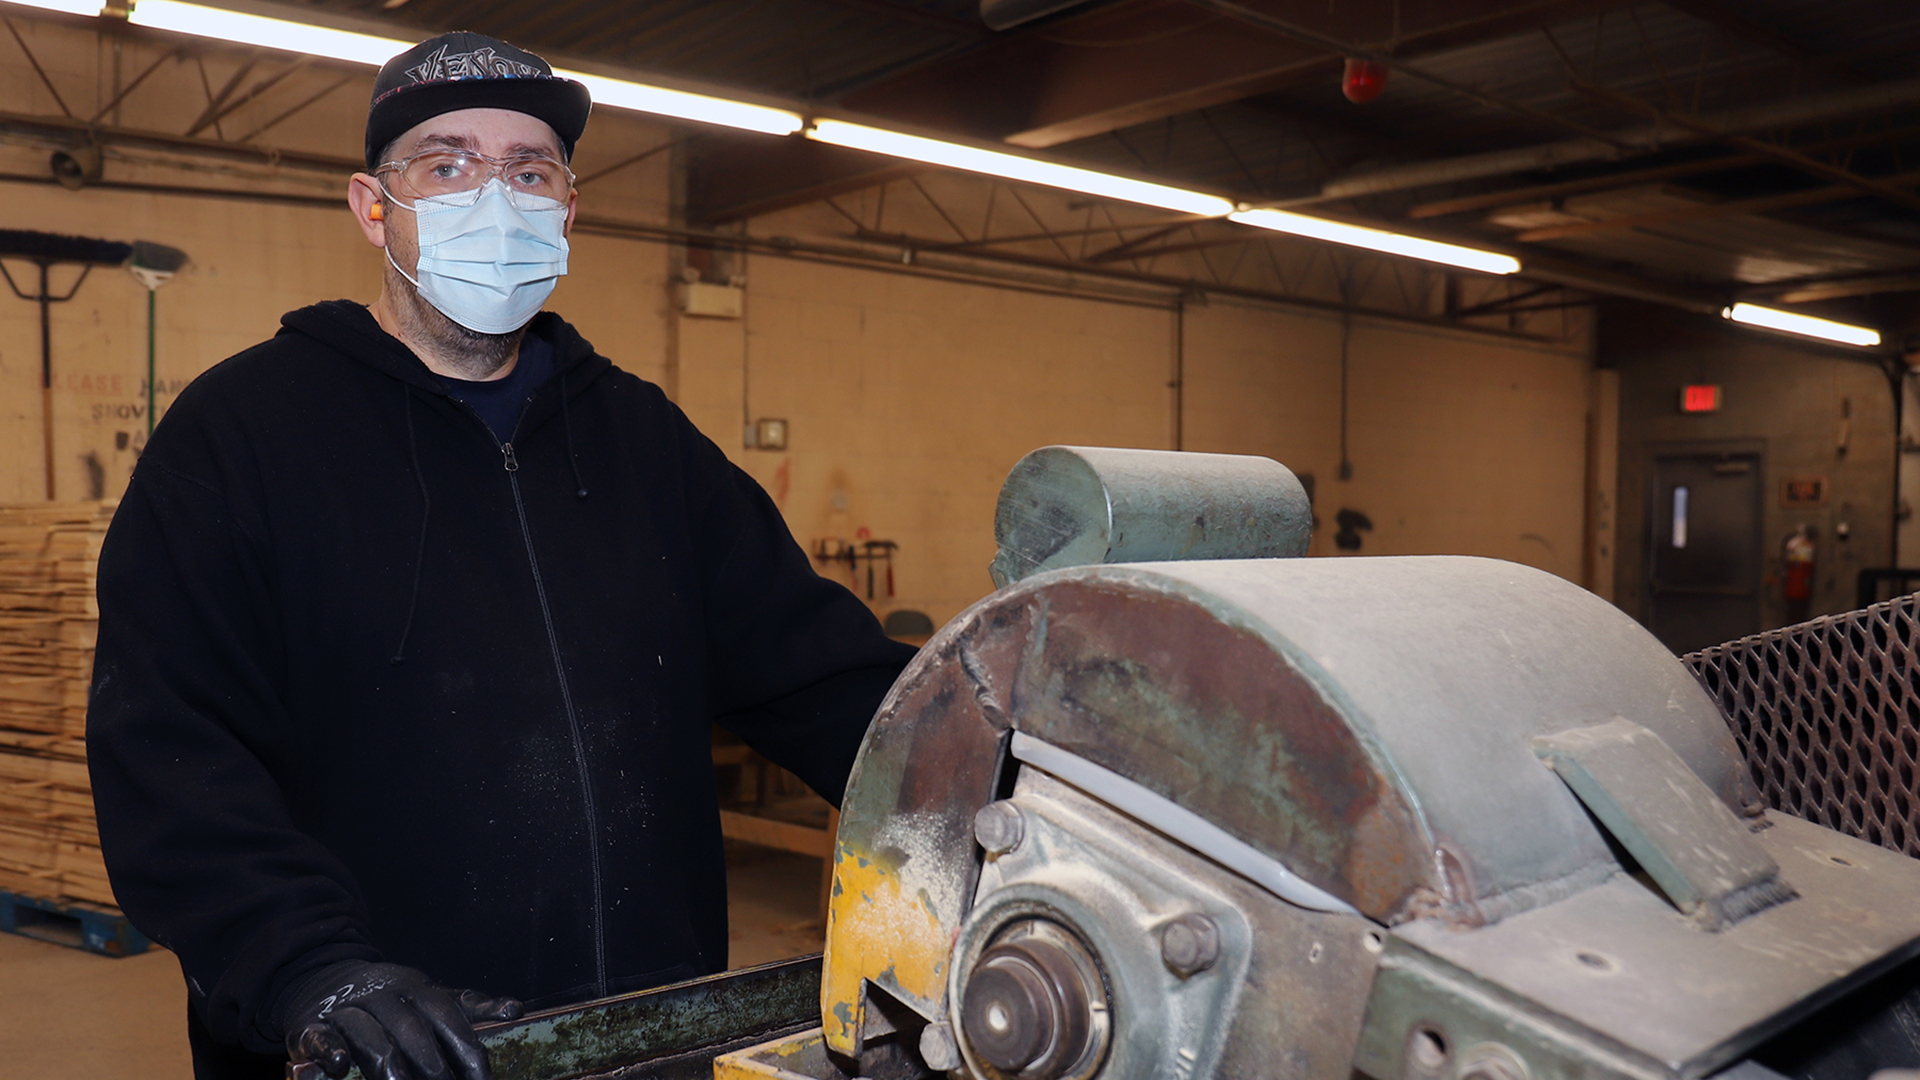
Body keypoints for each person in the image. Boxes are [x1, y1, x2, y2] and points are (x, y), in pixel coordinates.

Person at [86, 31, 916, 1080]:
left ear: (566, 210)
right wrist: (310, 971)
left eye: (529, 170)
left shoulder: (643, 441)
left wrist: (1005, 780)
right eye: (446, 164)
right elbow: (169, 754)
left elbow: (821, 675)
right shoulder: (241, 438)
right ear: (371, 206)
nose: (496, 197)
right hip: (382, 1050)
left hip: (642, 1039)